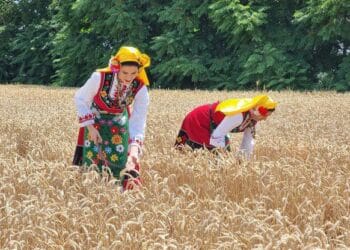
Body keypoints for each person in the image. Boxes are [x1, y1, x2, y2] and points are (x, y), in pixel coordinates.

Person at [72, 46, 150, 190]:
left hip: (119, 128)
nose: (128, 77)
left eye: (133, 73)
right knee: (92, 165)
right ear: (116, 67)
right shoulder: (99, 78)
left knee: (118, 167)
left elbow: (138, 121)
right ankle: (91, 195)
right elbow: (81, 98)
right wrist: (90, 128)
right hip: (94, 125)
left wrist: (133, 151)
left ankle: (115, 199)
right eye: (125, 72)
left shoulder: (140, 88)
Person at [175, 95, 277, 159]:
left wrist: (243, 162)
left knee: (223, 157)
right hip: (200, 121)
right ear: (258, 110)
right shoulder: (239, 115)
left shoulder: (253, 120)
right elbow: (218, 135)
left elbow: (248, 141)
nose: (265, 119)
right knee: (207, 157)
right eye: (265, 115)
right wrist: (223, 157)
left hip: (215, 126)